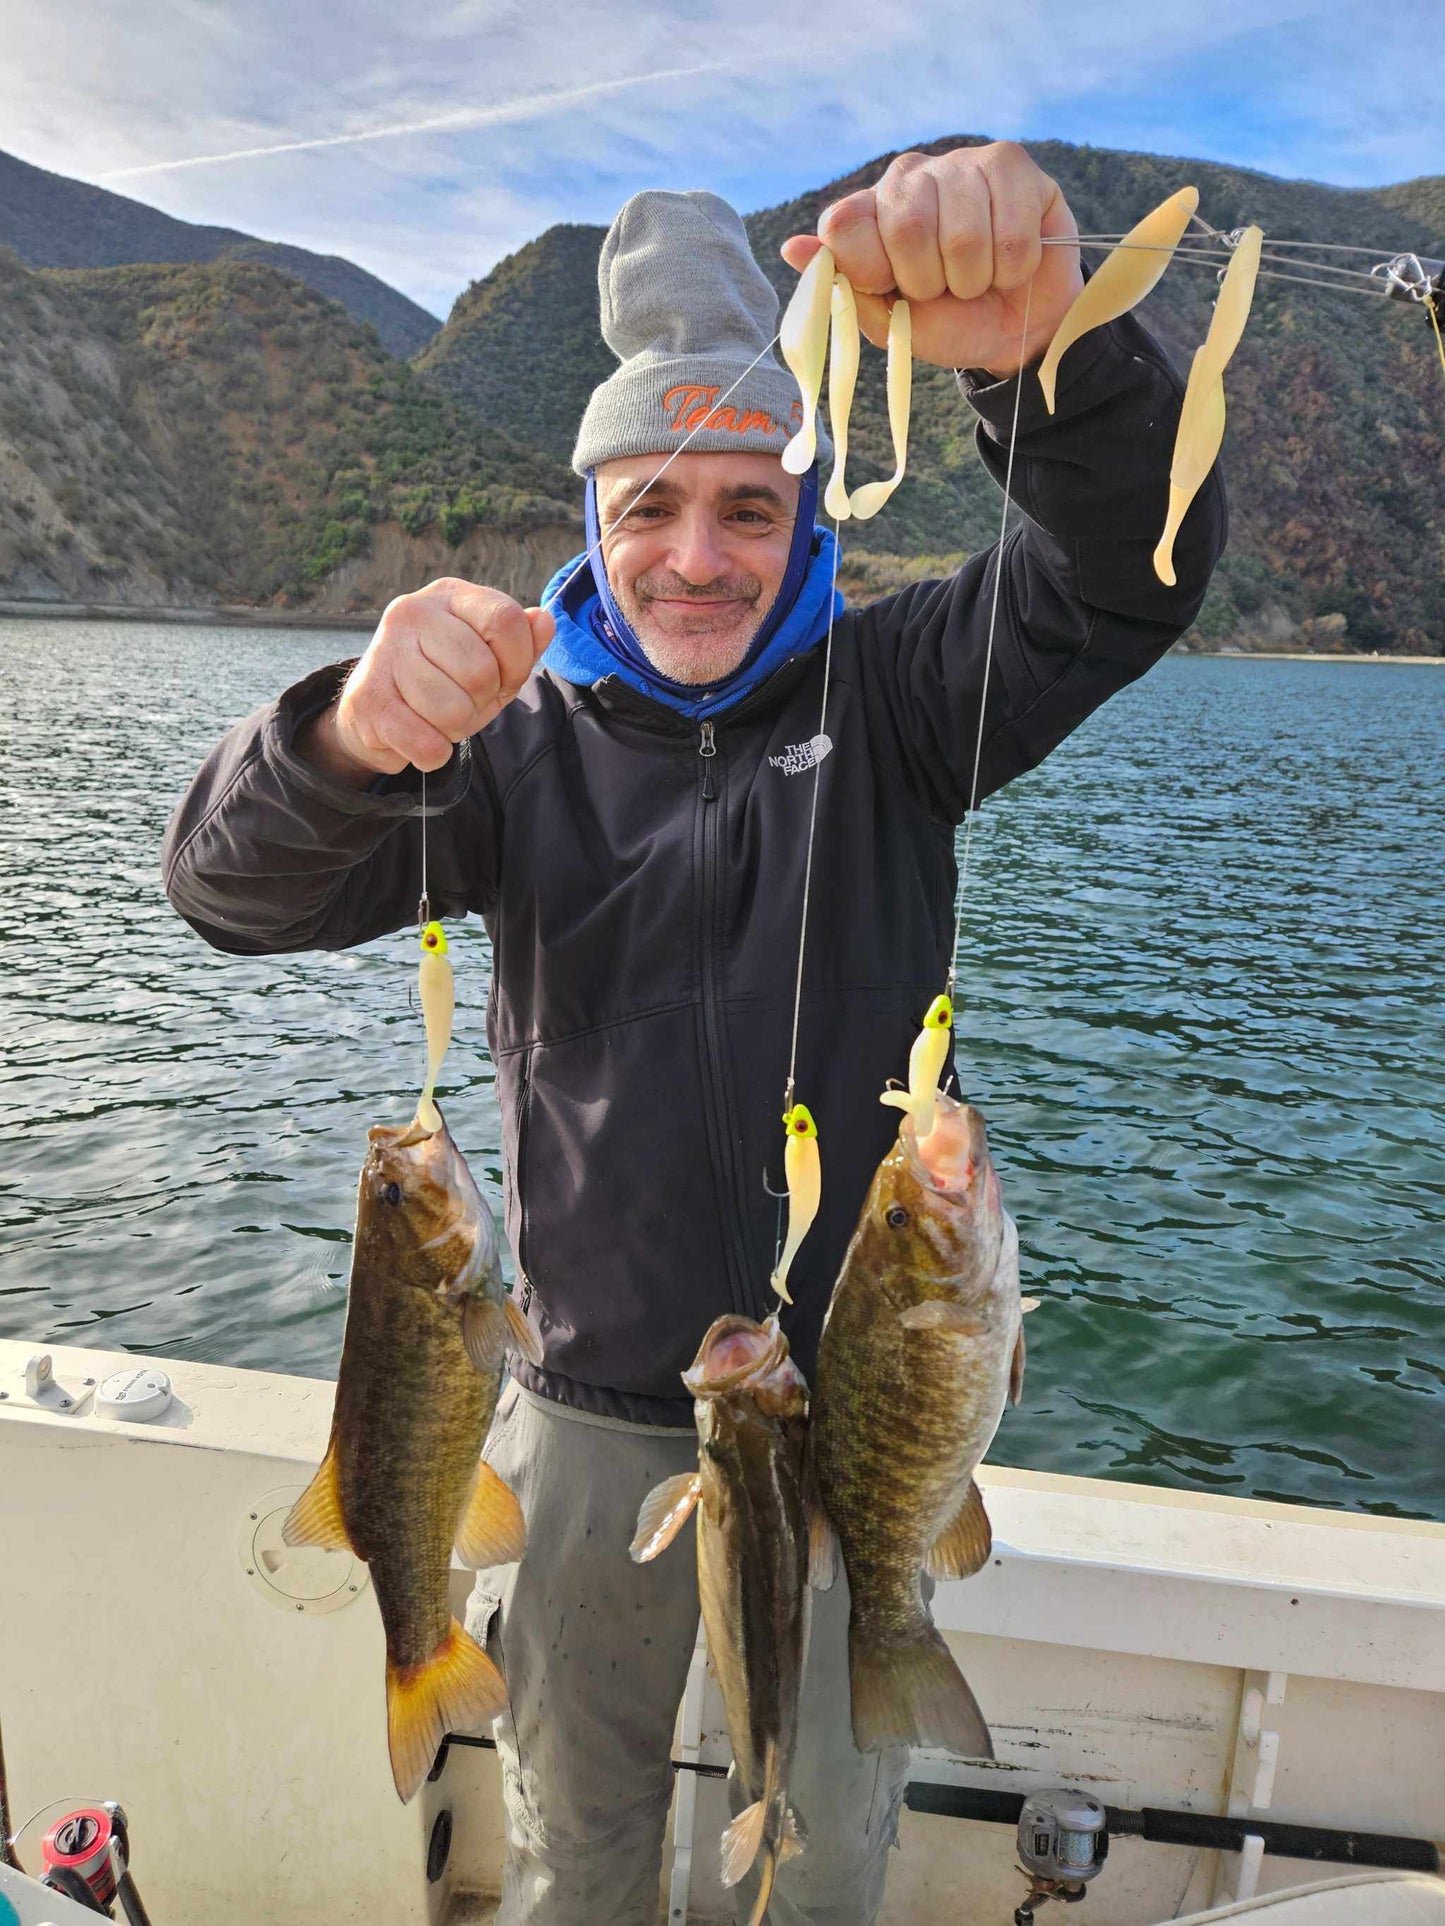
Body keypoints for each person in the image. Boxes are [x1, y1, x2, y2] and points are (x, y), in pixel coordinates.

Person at [164, 142, 1225, 1924]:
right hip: (580, 1415)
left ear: (812, 521)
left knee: (813, 1865)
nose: (695, 555)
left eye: (747, 506)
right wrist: (344, 733)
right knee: (581, 1845)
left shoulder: (900, 697)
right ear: (589, 524)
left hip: (849, 1424)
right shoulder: (500, 753)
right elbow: (229, 890)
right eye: (647, 505)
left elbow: (1130, 570)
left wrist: (1045, 357)